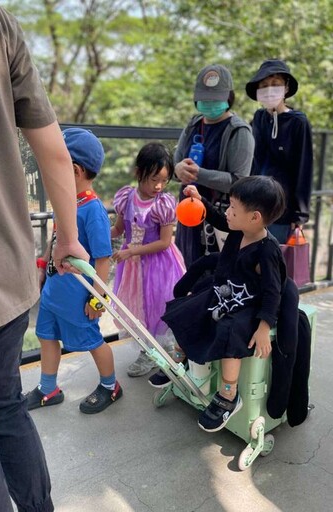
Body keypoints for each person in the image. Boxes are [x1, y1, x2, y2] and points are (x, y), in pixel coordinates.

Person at [0, 3, 89, 512]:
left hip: (23, 286)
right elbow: (53, 150)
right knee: (5, 404)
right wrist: (65, 239)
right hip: (7, 276)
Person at [150, 176, 287, 433]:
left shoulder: (267, 250)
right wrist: (200, 200)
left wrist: (263, 326)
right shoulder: (239, 229)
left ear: (255, 217)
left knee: (230, 332)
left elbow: (272, 291)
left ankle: (228, 394)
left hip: (246, 304)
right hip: (222, 290)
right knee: (189, 309)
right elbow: (215, 218)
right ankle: (180, 358)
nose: (228, 213)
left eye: (234, 208)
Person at [26, 128, 123, 415]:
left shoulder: (93, 211)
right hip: (55, 290)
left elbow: (103, 259)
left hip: (78, 295)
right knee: (46, 335)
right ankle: (48, 388)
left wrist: (98, 298)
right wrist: (44, 263)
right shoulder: (65, 201)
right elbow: (56, 237)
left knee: (93, 341)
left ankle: (110, 386)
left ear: (75, 169)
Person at [111, 142, 186, 377]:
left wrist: (131, 251)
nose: (159, 186)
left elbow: (165, 242)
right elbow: (119, 229)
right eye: (154, 179)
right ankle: (149, 350)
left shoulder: (163, 203)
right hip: (133, 267)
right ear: (138, 172)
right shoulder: (126, 198)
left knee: (157, 308)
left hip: (159, 265)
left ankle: (155, 353)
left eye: (164, 180)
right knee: (137, 308)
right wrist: (94, 235)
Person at [174, 64, 255, 268]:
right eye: (204, 98)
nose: (209, 103)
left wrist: (198, 175)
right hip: (188, 215)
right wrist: (178, 170)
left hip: (219, 218)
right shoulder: (193, 125)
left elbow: (238, 181)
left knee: (214, 274)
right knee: (187, 270)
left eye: (215, 98)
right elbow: (176, 162)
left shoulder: (239, 131)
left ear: (228, 97)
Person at [245, 59, 313, 244]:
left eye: (275, 84)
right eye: (264, 85)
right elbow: (252, 160)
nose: (269, 89)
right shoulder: (258, 118)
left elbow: (303, 169)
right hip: (254, 204)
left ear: (286, 87)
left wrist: (299, 216)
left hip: (281, 209)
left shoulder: (298, 122)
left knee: (273, 263)